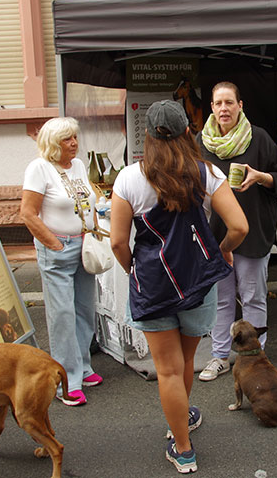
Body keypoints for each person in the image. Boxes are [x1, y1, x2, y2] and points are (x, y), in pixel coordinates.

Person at [110, 100, 248, 473]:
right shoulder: (206, 173)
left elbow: (118, 243)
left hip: (153, 284)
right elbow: (239, 227)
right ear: (190, 131)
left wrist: (132, 270)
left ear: (149, 137)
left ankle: (183, 450)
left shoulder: (128, 179)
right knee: (186, 361)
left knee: (166, 370)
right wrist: (221, 252)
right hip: (197, 282)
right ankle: (182, 420)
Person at [196, 81, 277, 382]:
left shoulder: (258, 139)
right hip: (215, 234)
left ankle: (254, 356)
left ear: (240, 105)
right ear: (211, 107)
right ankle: (220, 356)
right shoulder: (201, 142)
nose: (224, 108)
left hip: (252, 231)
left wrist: (262, 177)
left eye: (229, 103)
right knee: (221, 299)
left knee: (253, 297)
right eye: (218, 103)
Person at [20, 117, 103, 407]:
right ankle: (66, 381)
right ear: (53, 143)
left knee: (83, 309)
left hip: (82, 245)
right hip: (58, 247)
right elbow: (28, 214)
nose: (74, 144)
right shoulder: (39, 168)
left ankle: (83, 367)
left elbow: (88, 200)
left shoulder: (78, 166)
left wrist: (93, 232)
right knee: (62, 316)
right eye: (68, 139)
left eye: (75, 138)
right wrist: (54, 243)